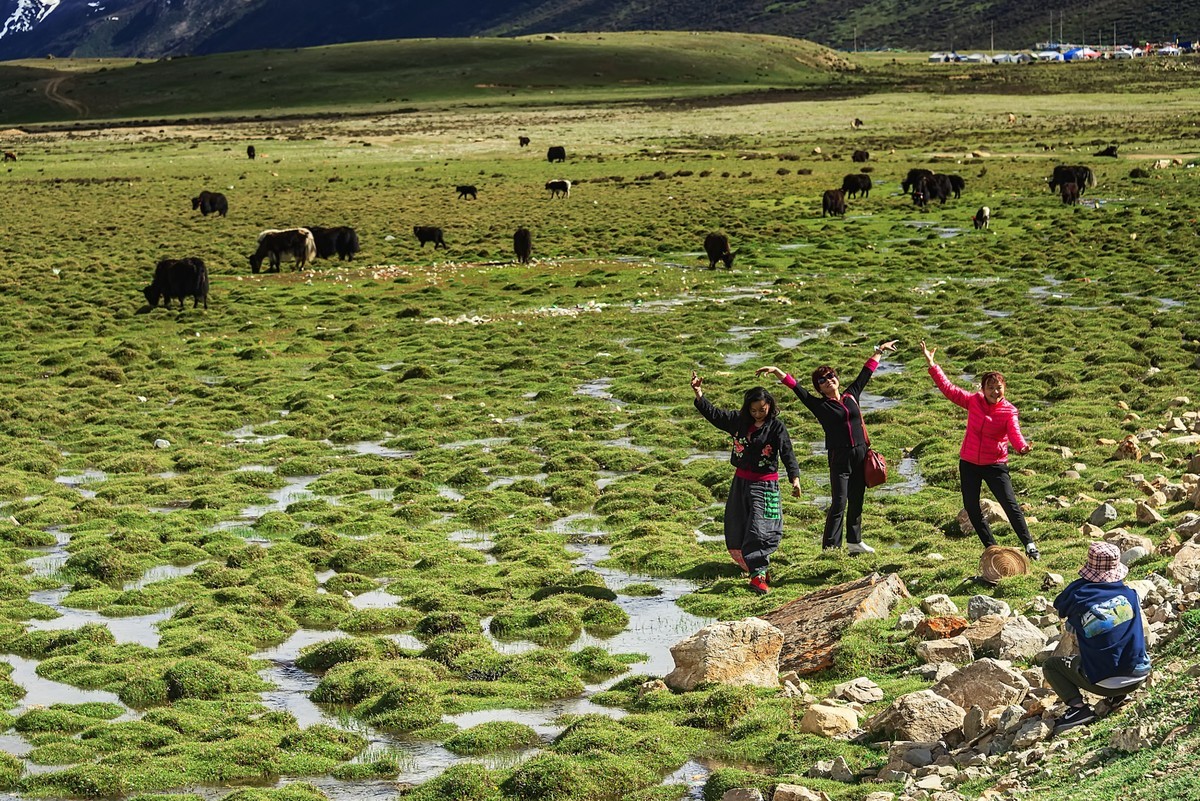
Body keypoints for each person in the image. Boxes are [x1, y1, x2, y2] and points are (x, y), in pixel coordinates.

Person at [756, 340, 898, 553]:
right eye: (822, 380)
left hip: (861, 454)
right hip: (839, 458)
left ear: (837, 379)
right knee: (839, 503)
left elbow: (865, 373)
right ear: (819, 388)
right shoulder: (820, 405)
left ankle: (854, 541)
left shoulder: (852, 395)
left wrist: (879, 351)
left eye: (831, 376)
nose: (828, 381)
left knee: (857, 499)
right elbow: (797, 389)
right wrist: (778, 371)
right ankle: (830, 547)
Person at [920, 340, 1040, 561]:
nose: (995, 391)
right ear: (983, 389)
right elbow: (949, 389)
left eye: (999, 387)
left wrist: (1022, 447)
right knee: (971, 507)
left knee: (1010, 504)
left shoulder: (1008, 411)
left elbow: (1015, 433)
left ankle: (1030, 545)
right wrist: (932, 365)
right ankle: (991, 547)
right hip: (969, 463)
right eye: (991, 387)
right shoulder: (973, 401)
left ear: (1004, 388)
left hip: (995, 465)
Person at [691, 371, 801, 595]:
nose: (758, 414)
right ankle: (757, 568)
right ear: (747, 408)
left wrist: (794, 478)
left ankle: (758, 576)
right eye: (753, 410)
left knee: (761, 529)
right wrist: (698, 392)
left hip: (766, 485)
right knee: (738, 526)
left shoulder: (776, 427)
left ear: (770, 405)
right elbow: (715, 415)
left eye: (762, 409)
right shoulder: (739, 422)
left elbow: (787, 452)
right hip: (740, 482)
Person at [1045, 541, 1151, 732]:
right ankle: (1116, 698)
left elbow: (1061, 607)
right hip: (1139, 675)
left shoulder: (1078, 596)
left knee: (1051, 666)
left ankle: (1078, 709)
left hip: (1105, 684)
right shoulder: (1130, 594)